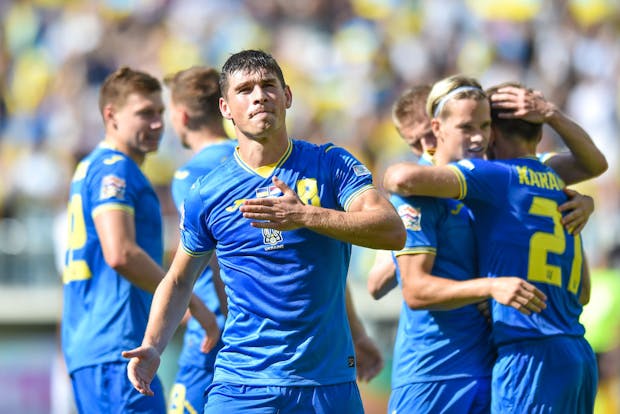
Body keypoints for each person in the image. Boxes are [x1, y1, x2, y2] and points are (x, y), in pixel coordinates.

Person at [123, 50, 406, 414]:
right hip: (243, 384)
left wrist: (305, 216)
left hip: (326, 383)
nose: (259, 96)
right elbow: (179, 280)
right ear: (225, 108)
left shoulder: (330, 164)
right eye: (245, 90)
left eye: (268, 85)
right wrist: (152, 345)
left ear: (287, 96)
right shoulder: (208, 191)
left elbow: (392, 230)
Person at [383, 77, 606, 413]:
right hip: (571, 352)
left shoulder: (491, 176)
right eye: (416, 142)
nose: (477, 137)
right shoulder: (549, 184)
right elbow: (584, 291)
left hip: (522, 356)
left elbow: (400, 178)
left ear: (494, 133)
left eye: (484, 126)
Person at [61, 67, 219, 414]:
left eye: (161, 112)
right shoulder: (115, 169)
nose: (158, 123)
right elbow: (120, 253)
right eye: (145, 113)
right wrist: (188, 301)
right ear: (111, 116)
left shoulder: (93, 166)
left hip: (97, 347)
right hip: (118, 347)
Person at [163, 66, 235, 414]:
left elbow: (218, 253)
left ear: (181, 115)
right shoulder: (254, 158)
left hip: (217, 334)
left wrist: (227, 324)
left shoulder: (191, 174)